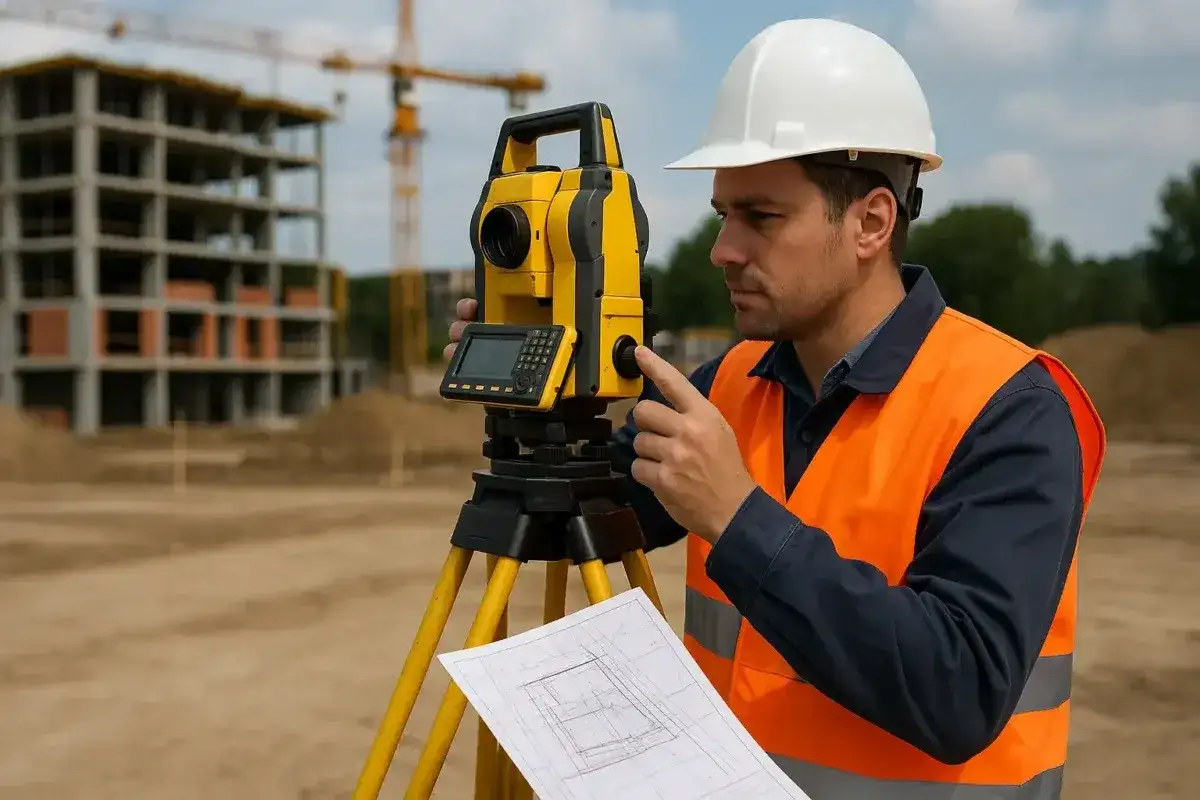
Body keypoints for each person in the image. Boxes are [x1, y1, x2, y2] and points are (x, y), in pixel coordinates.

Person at [446, 18, 1106, 799]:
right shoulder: (727, 381)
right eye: (724, 213)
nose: (723, 248)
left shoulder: (1011, 409)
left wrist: (737, 515)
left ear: (870, 222)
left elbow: (960, 692)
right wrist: (550, 383)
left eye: (760, 217)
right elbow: (574, 519)